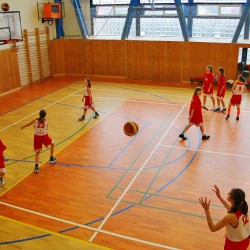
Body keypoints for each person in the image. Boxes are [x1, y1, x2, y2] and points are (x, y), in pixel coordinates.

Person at [199, 185, 250, 250]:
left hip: (234, 245)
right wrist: (219, 196)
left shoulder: (230, 217)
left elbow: (213, 228)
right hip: (244, 241)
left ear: (232, 199)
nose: (227, 193)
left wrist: (206, 210)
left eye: (229, 193)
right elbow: (230, 209)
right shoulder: (243, 208)